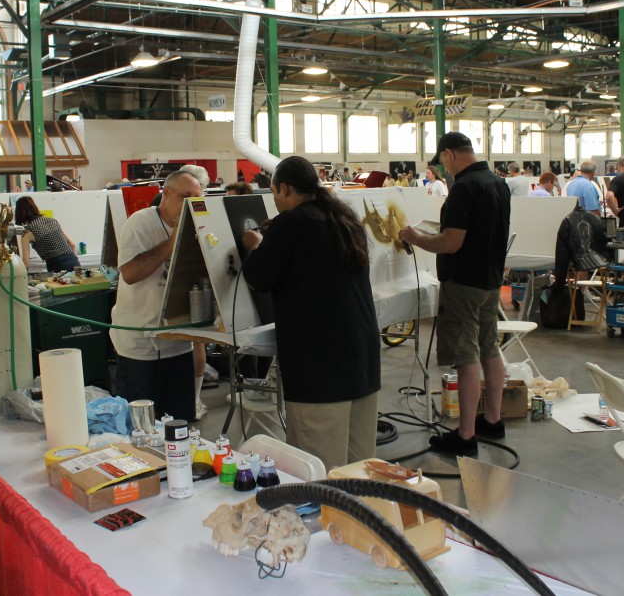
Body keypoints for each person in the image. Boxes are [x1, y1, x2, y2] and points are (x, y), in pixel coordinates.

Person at [242, 156, 380, 470]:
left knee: (319, 472)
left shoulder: (291, 223)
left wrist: (255, 245)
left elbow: (258, 277)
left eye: (274, 193)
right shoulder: (343, 218)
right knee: (359, 470)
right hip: (361, 358)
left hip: (320, 367)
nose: (275, 202)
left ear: (285, 188)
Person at [399, 132, 511, 456]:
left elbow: (451, 243)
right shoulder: (497, 182)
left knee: (465, 358)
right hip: (490, 281)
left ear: (449, 154)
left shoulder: (464, 187)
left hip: (464, 283)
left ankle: (465, 435)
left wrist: (415, 237)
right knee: (489, 348)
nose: (443, 169)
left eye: (442, 162)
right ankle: (493, 419)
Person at [110, 171, 204, 421]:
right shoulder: (140, 223)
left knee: (180, 423)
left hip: (178, 342)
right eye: (185, 197)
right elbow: (130, 273)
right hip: (140, 346)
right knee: (142, 425)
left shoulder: (196, 226)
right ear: (167, 193)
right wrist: (171, 243)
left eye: (196, 198)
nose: (191, 204)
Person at [178, 165, 212, 420]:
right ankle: (195, 399)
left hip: (186, 280)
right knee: (196, 341)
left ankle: (194, 399)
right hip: (193, 280)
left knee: (194, 341)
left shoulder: (199, 206)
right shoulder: (203, 207)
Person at [14, 196, 80, 272]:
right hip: (74, 261)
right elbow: (72, 245)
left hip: (57, 265)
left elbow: (26, 263)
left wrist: (21, 275)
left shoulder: (27, 231)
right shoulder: (52, 221)